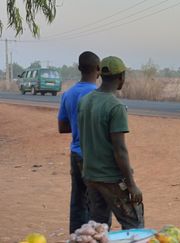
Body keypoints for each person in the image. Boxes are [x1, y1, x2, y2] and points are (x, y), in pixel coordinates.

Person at [78, 56, 144, 229]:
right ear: (121, 77)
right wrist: (131, 185)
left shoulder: (85, 101)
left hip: (90, 175)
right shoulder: (116, 107)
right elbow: (120, 150)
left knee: (99, 227)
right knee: (133, 224)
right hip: (111, 178)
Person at [57, 51, 100, 234]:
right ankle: (95, 235)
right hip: (95, 156)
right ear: (98, 70)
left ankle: (76, 237)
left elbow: (62, 126)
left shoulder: (68, 94)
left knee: (77, 200)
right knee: (98, 202)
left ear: (79, 68)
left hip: (76, 153)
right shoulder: (99, 95)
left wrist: (77, 127)